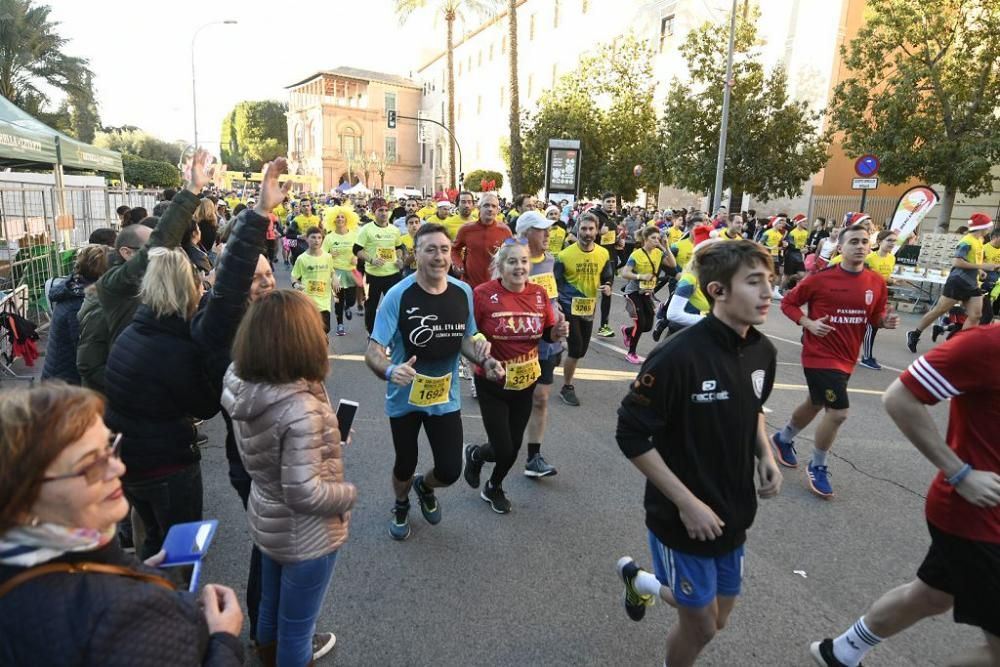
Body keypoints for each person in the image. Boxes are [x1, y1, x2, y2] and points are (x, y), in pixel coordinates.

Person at [614, 240, 781, 667]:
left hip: (734, 512)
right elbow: (631, 434)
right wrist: (686, 503)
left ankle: (643, 582)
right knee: (701, 627)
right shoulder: (677, 355)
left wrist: (764, 453)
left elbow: (754, 407)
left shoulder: (764, 351)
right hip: (682, 520)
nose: (768, 293)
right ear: (717, 291)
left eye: (770, 282)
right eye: (754, 282)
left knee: (716, 618)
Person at [0, 383, 244, 666]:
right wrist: (225, 640)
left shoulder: (23, 554)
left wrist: (131, 575)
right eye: (91, 464)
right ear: (25, 495)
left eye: (109, 446)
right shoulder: (129, 617)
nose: (119, 467)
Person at [810, 324, 1000, 667]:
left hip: (983, 522)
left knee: (932, 596)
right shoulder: (987, 344)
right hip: (978, 518)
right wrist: (960, 472)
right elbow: (899, 397)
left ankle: (841, 651)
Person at [223, 290, 354, 666]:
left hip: (266, 510)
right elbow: (305, 491)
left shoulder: (239, 381)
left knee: (270, 606)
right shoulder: (300, 408)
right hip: (307, 531)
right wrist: (346, 495)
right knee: (298, 628)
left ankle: (265, 657)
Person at [364, 223, 501, 540]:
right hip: (405, 398)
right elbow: (373, 351)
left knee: (450, 470)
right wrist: (389, 370)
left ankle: (423, 486)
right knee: (404, 462)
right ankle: (400, 503)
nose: (439, 256)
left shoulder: (462, 291)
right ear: (416, 254)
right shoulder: (398, 295)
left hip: (444, 397)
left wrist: (485, 360)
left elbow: (466, 340)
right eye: (430, 249)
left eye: (443, 249)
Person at [104, 247, 219, 559]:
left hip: (132, 460)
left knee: (154, 538)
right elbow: (207, 405)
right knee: (181, 550)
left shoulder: (134, 331)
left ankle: (153, 595)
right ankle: (177, 601)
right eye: (199, 284)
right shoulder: (174, 348)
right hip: (167, 464)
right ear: (188, 288)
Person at [771, 224, 899, 498]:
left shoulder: (876, 282)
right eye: (854, 241)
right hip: (818, 354)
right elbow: (787, 303)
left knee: (816, 402)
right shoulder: (820, 278)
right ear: (840, 248)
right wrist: (808, 323)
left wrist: (884, 322)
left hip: (847, 356)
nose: (861, 246)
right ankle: (818, 465)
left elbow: (874, 317)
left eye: (865, 241)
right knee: (838, 413)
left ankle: (783, 438)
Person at [463, 237, 567, 512]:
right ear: (500, 265)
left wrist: (556, 332)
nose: (519, 267)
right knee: (503, 448)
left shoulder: (538, 294)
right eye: (512, 262)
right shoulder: (483, 293)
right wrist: (480, 348)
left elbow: (546, 332)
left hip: (525, 380)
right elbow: (469, 332)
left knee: (513, 446)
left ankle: (494, 486)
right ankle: (477, 454)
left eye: (523, 261)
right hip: (492, 380)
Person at [512, 211, 565, 478]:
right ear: (524, 233)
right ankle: (489, 451)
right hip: (517, 345)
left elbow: (551, 297)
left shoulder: (550, 260)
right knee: (515, 404)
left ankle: (534, 457)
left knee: (541, 398)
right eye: (541, 229)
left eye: (548, 230)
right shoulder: (512, 262)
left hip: (548, 343)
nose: (548, 234)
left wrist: (559, 315)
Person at [906, 213, 995, 352]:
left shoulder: (980, 240)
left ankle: (960, 346)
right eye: (988, 225)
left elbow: (972, 261)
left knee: (976, 315)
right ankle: (915, 333)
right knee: (939, 310)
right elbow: (957, 262)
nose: (990, 227)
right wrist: (981, 267)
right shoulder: (966, 241)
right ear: (982, 227)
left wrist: (979, 271)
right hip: (958, 281)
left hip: (972, 284)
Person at [554, 211, 613, 407]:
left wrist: (607, 286)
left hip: (589, 306)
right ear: (577, 230)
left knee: (581, 351)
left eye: (591, 229)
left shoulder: (603, 253)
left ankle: (557, 349)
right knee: (576, 347)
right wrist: (558, 306)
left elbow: (607, 275)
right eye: (583, 229)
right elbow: (556, 283)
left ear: (596, 231)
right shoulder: (564, 255)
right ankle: (567, 387)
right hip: (569, 306)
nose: (587, 233)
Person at [42, 245, 109, 385]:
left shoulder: (74, 289)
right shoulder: (79, 303)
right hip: (66, 386)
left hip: (59, 379)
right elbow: (84, 352)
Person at [621, 226, 672, 363]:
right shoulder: (636, 254)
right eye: (653, 238)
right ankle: (631, 353)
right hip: (633, 292)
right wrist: (640, 276)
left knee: (648, 325)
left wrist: (665, 247)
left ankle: (627, 331)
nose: (656, 241)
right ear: (645, 239)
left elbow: (672, 264)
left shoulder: (658, 253)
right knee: (640, 322)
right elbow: (625, 273)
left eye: (658, 238)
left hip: (647, 292)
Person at [354, 197, 404, 335]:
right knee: (371, 307)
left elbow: (398, 247)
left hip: (393, 275)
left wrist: (399, 258)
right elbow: (356, 250)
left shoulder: (394, 230)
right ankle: (371, 334)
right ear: (374, 212)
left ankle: (393, 334)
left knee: (395, 306)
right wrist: (371, 260)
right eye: (380, 210)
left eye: (386, 210)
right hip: (373, 276)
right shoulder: (366, 230)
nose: (384, 213)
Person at [452, 192, 513, 288]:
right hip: (470, 285)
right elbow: (455, 249)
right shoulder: (466, 229)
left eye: (494, 206)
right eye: (486, 205)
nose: (490, 209)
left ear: (498, 210)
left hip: (494, 287)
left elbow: (512, 253)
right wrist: (458, 264)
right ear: (479, 208)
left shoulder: (505, 230)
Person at [859, 230, 899, 370]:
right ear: (880, 241)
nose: (892, 244)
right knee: (871, 326)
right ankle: (866, 357)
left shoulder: (892, 258)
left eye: (894, 241)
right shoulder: (869, 258)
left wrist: (891, 280)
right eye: (889, 240)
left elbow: (886, 277)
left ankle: (865, 356)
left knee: (871, 326)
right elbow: (864, 276)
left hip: (882, 295)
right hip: (868, 294)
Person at [291, 226, 336, 335]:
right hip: (308, 300)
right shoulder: (302, 258)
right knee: (310, 330)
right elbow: (294, 276)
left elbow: (332, 271)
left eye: (319, 238)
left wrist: (335, 279)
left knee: (325, 329)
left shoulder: (328, 257)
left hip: (324, 301)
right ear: (307, 239)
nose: (316, 240)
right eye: (313, 237)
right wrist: (296, 285)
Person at [322, 209, 359, 336]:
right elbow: (321, 254)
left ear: (347, 219)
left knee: (351, 300)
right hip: (335, 271)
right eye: (337, 217)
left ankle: (348, 306)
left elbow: (361, 249)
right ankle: (340, 325)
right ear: (333, 220)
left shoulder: (354, 235)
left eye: (342, 217)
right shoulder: (329, 237)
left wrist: (357, 258)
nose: (340, 219)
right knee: (338, 299)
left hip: (352, 271)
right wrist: (329, 254)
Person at [596, 194, 621, 337]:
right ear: (602, 203)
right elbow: (580, 236)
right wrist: (599, 233)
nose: (611, 204)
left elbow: (609, 241)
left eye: (613, 201)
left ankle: (604, 326)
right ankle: (578, 320)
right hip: (595, 259)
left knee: (607, 291)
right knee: (588, 291)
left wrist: (618, 243)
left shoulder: (613, 219)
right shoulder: (595, 216)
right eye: (608, 201)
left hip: (609, 260)